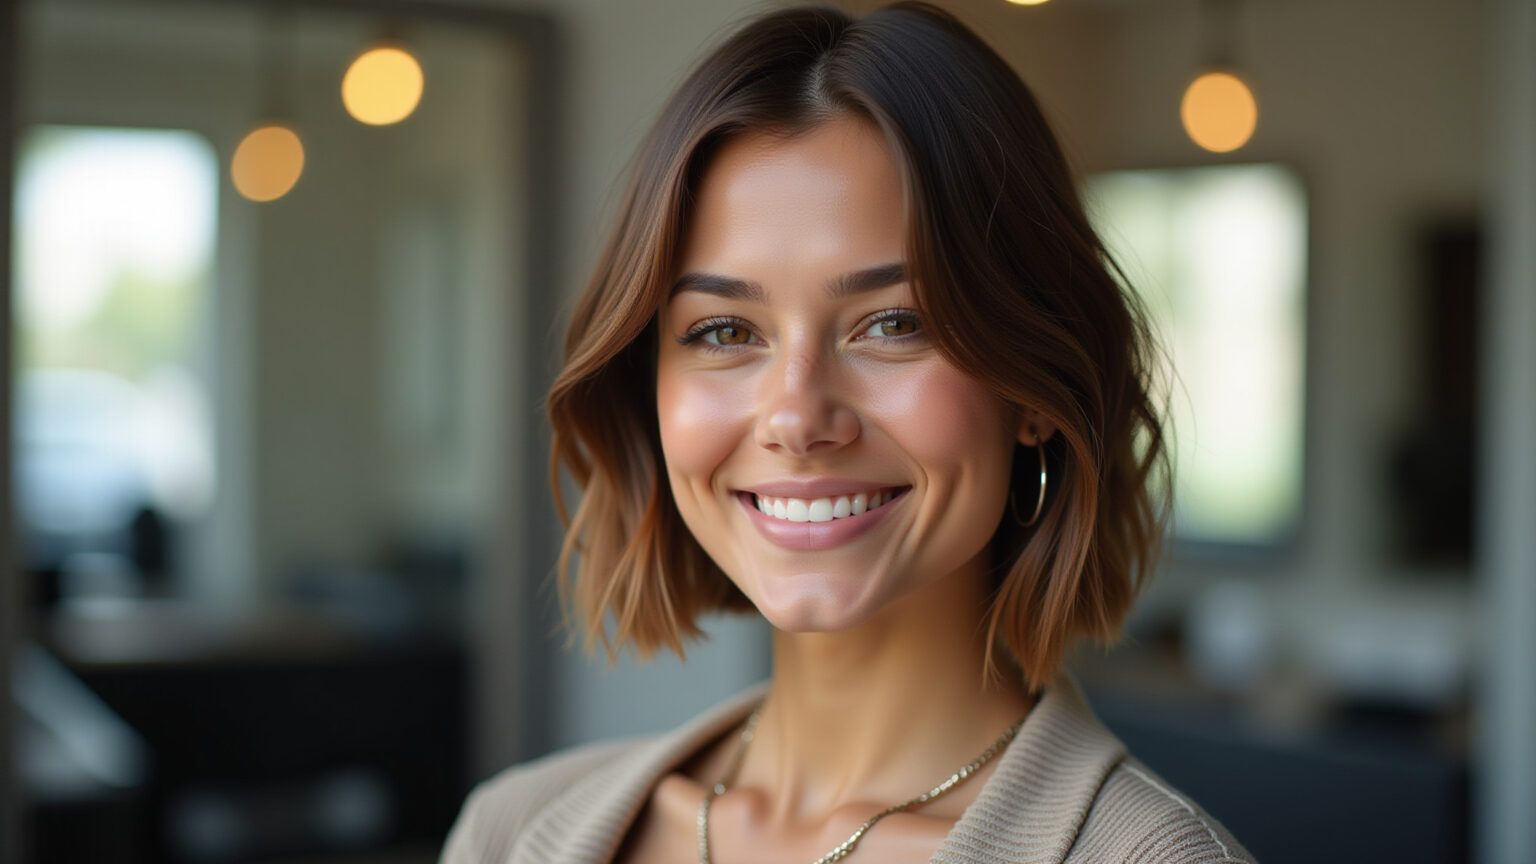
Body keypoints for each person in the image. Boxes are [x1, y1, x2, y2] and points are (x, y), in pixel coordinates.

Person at [441, 3, 1255, 862]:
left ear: (1035, 393)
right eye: (724, 331)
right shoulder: (509, 831)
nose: (796, 418)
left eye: (894, 324)